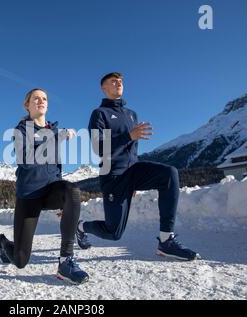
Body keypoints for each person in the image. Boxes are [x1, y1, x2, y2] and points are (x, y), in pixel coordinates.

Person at [77, 72, 200, 261]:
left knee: (169, 174)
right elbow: (97, 147)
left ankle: (166, 240)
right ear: (104, 88)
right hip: (113, 175)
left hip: (133, 170)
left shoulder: (131, 114)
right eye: (113, 81)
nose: (118, 83)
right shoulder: (99, 114)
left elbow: (132, 150)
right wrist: (128, 136)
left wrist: (135, 181)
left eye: (120, 81)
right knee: (113, 232)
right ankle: (80, 227)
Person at [0, 88, 89, 284]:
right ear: (27, 105)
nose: (41, 101)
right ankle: (4, 243)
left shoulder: (54, 131)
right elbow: (26, 161)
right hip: (29, 195)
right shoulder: (21, 130)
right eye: (35, 98)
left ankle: (65, 262)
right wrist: (56, 138)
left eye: (44, 98)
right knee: (21, 260)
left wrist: (64, 203)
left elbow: (55, 167)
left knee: (72, 191)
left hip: (51, 189)